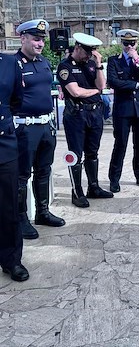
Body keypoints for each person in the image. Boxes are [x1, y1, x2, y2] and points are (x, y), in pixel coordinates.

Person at [13, 19, 65, 240]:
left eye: (42, 39)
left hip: (46, 126)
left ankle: (42, 212)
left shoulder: (44, 62)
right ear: (23, 38)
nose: (40, 43)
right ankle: (21, 218)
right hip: (24, 128)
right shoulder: (12, 64)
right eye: (35, 38)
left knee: (44, 171)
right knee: (21, 175)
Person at [57, 33, 114, 208]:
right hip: (76, 115)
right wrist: (95, 92)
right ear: (78, 47)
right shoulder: (65, 66)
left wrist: (98, 66)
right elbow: (76, 92)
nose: (89, 55)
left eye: (92, 52)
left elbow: (102, 85)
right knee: (76, 154)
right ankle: (77, 192)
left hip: (94, 114)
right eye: (87, 52)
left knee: (92, 152)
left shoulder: (91, 64)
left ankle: (94, 187)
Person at [107, 29, 139, 193]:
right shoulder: (114, 61)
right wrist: (135, 85)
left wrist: (138, 62)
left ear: (137, 43)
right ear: (121, 43)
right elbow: (113, 82)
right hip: (123, 108)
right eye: (126, 43)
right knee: (120, 144)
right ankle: (114, 178)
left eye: (132, 43)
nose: (129, 46)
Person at [0, 52, 29, 282]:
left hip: (4, 142)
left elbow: (17, 100)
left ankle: (12, 260)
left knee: (9, 205)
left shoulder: (10, 63)